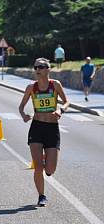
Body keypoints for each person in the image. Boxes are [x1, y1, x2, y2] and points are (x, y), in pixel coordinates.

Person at [18, 58, 69, 206]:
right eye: (35, 67)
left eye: (41, 67)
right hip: (37, 128)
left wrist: (61, 109)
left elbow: (67, 102)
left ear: (48, 69)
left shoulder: (55, 85)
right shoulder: (31, 87)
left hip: (52, 129)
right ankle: (41, 196)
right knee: (38, 166)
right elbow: (21, 106)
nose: (37, 70)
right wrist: (23, 115)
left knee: (50, 169)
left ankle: (47, 160)